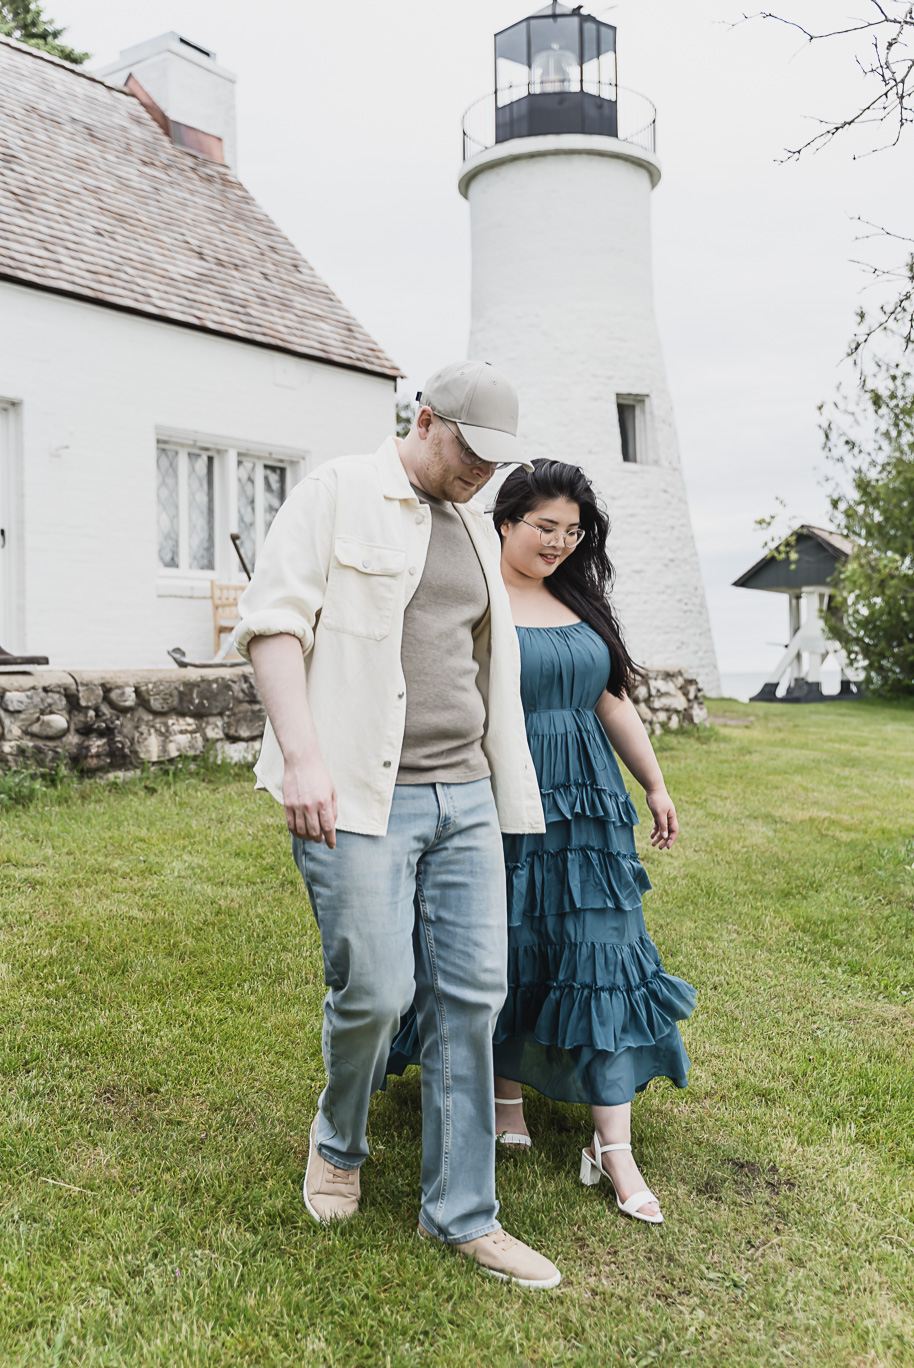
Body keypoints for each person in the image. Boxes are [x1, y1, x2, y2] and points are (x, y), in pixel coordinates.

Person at [234, 361, 561, 1289]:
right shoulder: (338, 491)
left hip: (465, 796)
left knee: (471, 999)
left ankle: (462, 1214)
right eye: (470, 454)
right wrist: (303, 759)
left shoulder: (468, 523)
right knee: (376, 992)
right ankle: (339, 1138)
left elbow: (478, 660)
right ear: (424, 419)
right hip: (359, 796)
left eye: (496, 465)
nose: (481, 477)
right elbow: (274, 626)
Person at [490, 459, 697, 1224]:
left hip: (589, 804)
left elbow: (612, 702)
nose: (560, 542)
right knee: (511, 942)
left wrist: (655, 783)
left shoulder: (576, 597)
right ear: (507, 518)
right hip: (505, 794)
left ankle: (613, 1147)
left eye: (573, 531)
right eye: (546, 526)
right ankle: (503, 1089)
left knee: (602, 951)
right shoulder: (475, 593)